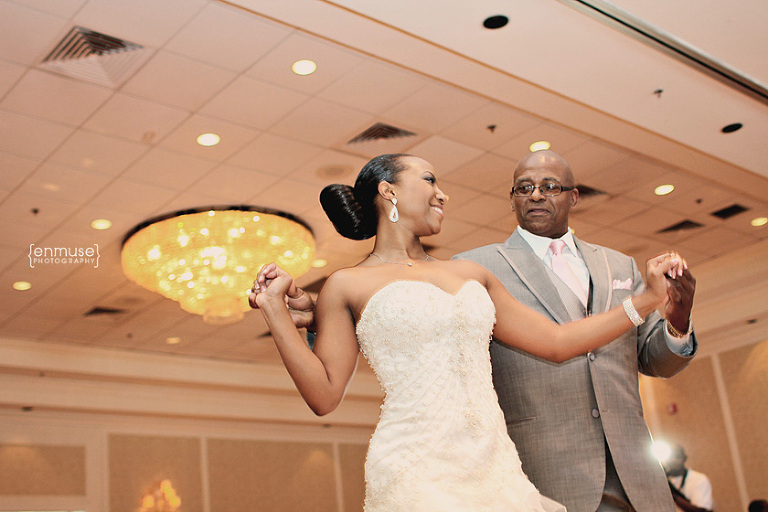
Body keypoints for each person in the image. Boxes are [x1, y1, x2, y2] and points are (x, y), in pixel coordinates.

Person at [248, 154, 687, 512]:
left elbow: (558, 343)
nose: (442, 193)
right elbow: (324, 395)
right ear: (389, 191)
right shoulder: (345, 284)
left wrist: (646, 301)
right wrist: (275, 312)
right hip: (416, 466)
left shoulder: (471, 273)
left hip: (495, 465)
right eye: (429, 180)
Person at [454, 149, 698, 512]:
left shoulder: (619, 264)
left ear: (574, 196)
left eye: (550, 186)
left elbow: (654, 361)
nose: (536, 195)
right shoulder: (476, 267)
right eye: (524, 188)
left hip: (637, 473)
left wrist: (678, 318)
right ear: (512, 198)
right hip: (544, 472)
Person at [662, 443, 714, 512]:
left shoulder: (698, 479)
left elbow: (700, 511)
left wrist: (673, 495)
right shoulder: (662, 481)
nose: (673, 460)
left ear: (684, 458)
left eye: (677, 456)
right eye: (670, 457)